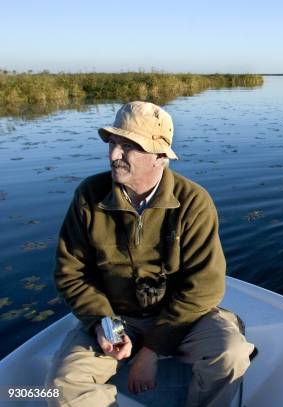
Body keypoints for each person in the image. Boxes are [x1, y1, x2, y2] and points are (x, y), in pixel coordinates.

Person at [46, 101, 254, 407]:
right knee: (62, 386)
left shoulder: (193, 202)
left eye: (128, 146)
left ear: (160, 156)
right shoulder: (89, 196)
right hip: (117, 318)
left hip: (182, 322)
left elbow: (205, 288)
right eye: (113, 143)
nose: (114, 155)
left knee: (231, 355)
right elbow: (72, 272)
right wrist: (105, 325)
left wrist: (151, 351)